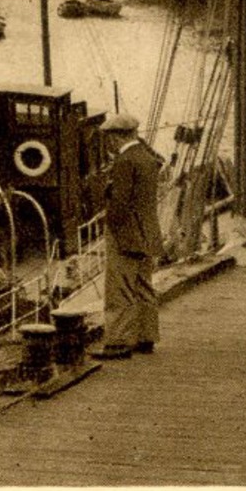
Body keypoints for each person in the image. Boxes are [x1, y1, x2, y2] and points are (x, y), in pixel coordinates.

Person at [91, 113, 163, 359]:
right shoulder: (147, 158)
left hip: (126, 235)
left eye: (109, 138)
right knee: (144, 286)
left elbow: (119, 203)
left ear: (116, 137)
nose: (108, 143)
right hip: (148, 233)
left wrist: (111, 225)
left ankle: (118, 342)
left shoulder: (124, 162)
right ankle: (146, 337)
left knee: (119, 288)